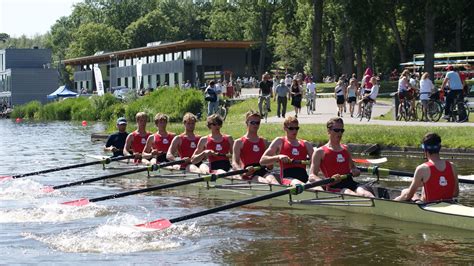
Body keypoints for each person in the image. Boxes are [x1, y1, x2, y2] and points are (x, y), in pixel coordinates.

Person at [309, 117, 374, 197]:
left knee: (365, 193)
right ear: (329, 131)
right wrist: (326, 181)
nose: (339, 133)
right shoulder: (320, 152)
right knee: (348, 192)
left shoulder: (346, 148)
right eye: (336, 130)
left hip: (350, 183)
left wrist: (355, 171)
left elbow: (353, 168)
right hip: (334, 186)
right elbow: (312, 176)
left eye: (341, 130)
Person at [395, 133, 459, 202]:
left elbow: (408, 196)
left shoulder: (422, 169)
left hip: (428, 206)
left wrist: (394, 201)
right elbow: (455, 193)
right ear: (439, 147)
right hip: (448, 204)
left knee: (405, 191)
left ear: (424, 149)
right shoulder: (452, 166)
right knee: (418, 189)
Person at [260, 116, 313, 186]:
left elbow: (317, 163)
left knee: (317, 187)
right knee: (299, 184)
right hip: (287, 178)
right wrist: (278, 157)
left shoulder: (306, 144)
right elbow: (262, 161)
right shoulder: (279, 141)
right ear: (285, 128)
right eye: (291, 128)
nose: (294, 131)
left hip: (304, 178)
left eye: (296, 128)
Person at [232, 110, 279, 184]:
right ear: (247, 123)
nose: (255, 125)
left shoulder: (264, 141)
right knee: (262, 181)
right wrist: (242, 173)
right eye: (252, 122)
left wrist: (270, 164)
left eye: (257, 123)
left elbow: (270, 167)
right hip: (248, 173)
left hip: (262, 170)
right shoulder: (239, 142)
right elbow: (234, 163)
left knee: (273, 180)